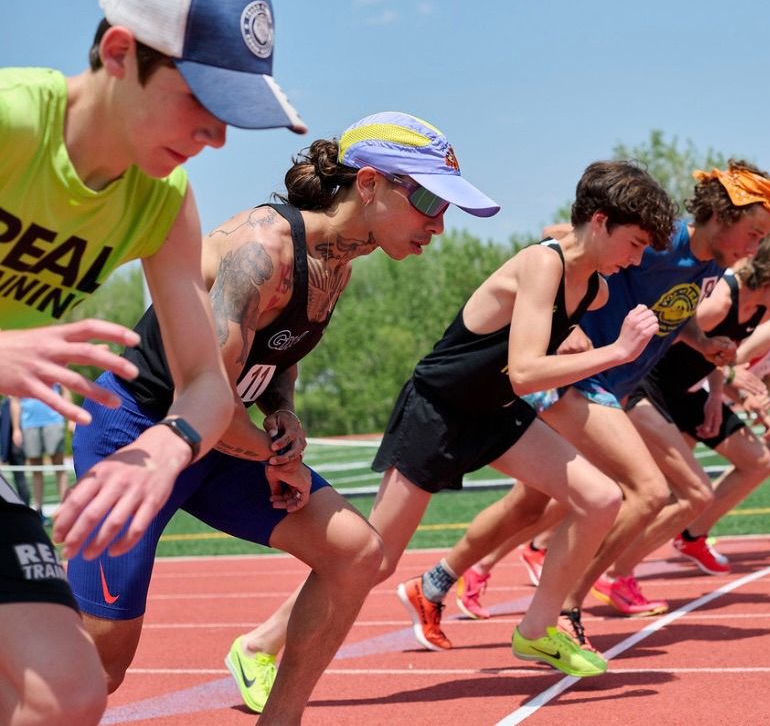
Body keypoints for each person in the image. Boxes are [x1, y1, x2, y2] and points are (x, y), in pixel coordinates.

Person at [66, 111, 496, 722]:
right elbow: (204, 397)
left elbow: (277, 352)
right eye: (428, 199)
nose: (439, 224)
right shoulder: (260, 252)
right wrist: (275, 456)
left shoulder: (342, 256)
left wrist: (284, 412)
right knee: (102, 668)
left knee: (358, 555)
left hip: (220, 440)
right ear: (369, 184)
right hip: (136, 433)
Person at [229, 159, 676, 692]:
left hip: (493, 411)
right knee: (374, 558)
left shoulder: (594, 289)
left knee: (600, 498)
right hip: (437, 410)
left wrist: (571, 339)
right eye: (636, 241)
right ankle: (256, 645)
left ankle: (538, 629)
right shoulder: (543, 265)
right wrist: (615, 351)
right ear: (600, 221)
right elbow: (529, 371)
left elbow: (527, 357)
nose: (638, 257)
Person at [0, 0, 303, 723]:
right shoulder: (12, 122)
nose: (218, 133)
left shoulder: (161, 200)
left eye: (231, 111)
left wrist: (167, 447)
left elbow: (205, 380)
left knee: (65, 691)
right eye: (200, 98)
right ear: (116, 52)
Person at [417, 162, 770, 651]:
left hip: (610, 383)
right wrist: (560, 324)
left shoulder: (714, 264)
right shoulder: (666, 239)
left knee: (534, 504)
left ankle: (435, 583)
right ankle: (563, 610)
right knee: (647, 491)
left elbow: (670, 310)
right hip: (578, 376)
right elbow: (560, 238)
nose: (754, 249)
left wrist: (703, 343)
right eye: (753, 233)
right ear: (721, 216)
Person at [666, 282, 770, 573]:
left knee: (758, 463)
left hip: (709, 399)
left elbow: (761, 380)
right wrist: (726, 395)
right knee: (661, 488)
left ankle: (691, 535)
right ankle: (600, 553)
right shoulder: (767, 330)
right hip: (693, 394)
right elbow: (725, 365)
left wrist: (760, 408)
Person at [9, 389, 74, 522]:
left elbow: (65, 391)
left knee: (58, 465)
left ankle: (66, 508)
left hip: (53, 421)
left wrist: (71, 418)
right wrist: (16, 429)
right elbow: (15, 400)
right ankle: (38, 511)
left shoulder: (54, 367)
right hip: (29, 424)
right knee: (35, 468)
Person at [0, 397, 31, 506]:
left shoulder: (10, 403)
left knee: (19, 480)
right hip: (14, 447)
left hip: (16, 447)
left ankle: (23, 508)